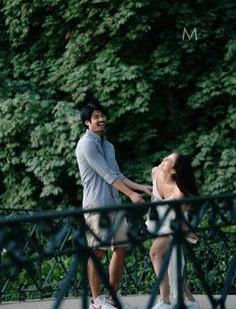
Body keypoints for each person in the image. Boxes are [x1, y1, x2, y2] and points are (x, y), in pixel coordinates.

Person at [75, 100, 152, 309]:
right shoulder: (86, 144)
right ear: (87, 123)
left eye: (102, 116)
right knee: (97, 251)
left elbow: (117, 174)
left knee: (121, 248)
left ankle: (111, 299)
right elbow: (107, 175)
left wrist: (140, 188)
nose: (101, 120)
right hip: (97, 206)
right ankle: (96, 301)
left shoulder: (108, 145)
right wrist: (130, 195)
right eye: (96, 117)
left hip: (114, 205)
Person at [146, 152, 200, 309]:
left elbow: (178, 218)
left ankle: (165, 301)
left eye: (168, 160)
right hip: (157, 222)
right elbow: (154, 199)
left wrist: (189, 233)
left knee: (155, 253)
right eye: (165, 157)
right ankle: (189, 301)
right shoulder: (155, 172)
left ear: (174, 170)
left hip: (173, 224)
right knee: (173, 262)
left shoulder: (179, 192)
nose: (163, 160)